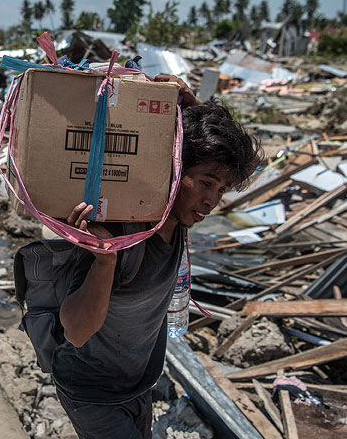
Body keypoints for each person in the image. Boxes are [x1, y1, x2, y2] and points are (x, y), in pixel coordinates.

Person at [51, 87, 264, 438]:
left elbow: (246, 168)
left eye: (222, 190)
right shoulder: (123, 233)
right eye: (206, 183)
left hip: (139, 384)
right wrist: (104, 263)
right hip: (91, 392)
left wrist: (195, 109)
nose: (212, 200)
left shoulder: (178, 218)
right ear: (174, 171)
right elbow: (76, 331)